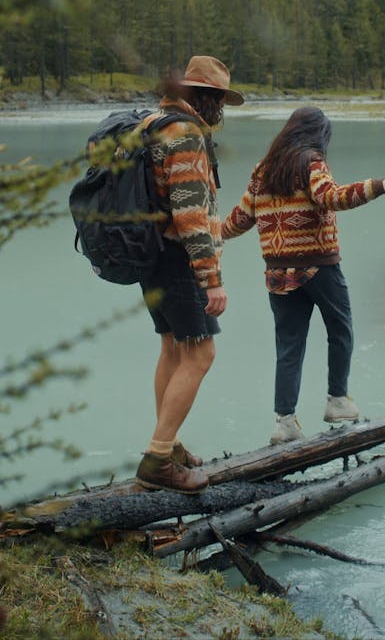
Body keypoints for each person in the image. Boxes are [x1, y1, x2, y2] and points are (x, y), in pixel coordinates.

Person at [221, 106, 385, 445]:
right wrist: (380, 185)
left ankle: (284, 422)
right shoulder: (311, 162)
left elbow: (241, 217)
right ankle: (337, 400)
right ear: (317, 134)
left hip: (278, 271)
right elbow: (331, 198)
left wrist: (210, 233)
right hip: (318, 266)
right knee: (341, 329)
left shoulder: (262, 170)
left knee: (289, 346)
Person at [135, 56, 244, 491]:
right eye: (219, 98)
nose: (220, 108)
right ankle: (159, 458)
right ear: (207, 96)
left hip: (150, 253)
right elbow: (190, 213)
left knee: (173, 349)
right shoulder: (184, 133)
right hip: (178, 257)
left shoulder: (153, 122)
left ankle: (170, 443)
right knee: (200, 355)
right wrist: (211, 279)